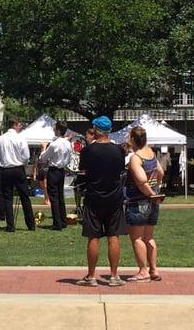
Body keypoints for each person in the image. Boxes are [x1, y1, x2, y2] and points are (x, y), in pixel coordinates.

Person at [76, 116, 126, 287]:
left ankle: (91, 276)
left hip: (94, 197)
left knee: (93, 237)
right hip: (114, 197)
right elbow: (120, 171)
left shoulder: (88, 151)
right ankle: (113, 276)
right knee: (113, 236)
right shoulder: (119, 150)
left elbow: (84, 170)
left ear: (96, 130)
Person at [125, 126, 165, 282]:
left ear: (134, 139)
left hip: (138, 201)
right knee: (149, 237)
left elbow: (141, 181)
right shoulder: (151, 154)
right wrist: (156, 189)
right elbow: (160, 172)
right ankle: (154, 269)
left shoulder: (136, 157)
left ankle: (143, 271)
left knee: (137, 238)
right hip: (153, 202)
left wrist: (150, 192)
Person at [0, 119, 35, 232]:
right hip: (18, 168)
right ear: (14, 125)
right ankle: (31, 224)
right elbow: (26, 156)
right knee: (24, 196)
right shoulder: (20, 137)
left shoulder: (1, 139)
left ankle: (10, 225)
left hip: (6, 169)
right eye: (19, 124)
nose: (20, 126)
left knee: (7, 197)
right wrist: (23, 165)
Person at [39, 121, 72, 230]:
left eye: (55, 128)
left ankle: (57, 223)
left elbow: (42, 158)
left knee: (53, 197)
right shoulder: (68, 143)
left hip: (53, 171)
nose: (53, 130)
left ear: (58, 130)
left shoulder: (54, 144)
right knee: (60, 196)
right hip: (62, 171)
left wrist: (43, 148)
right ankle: (63, 221)